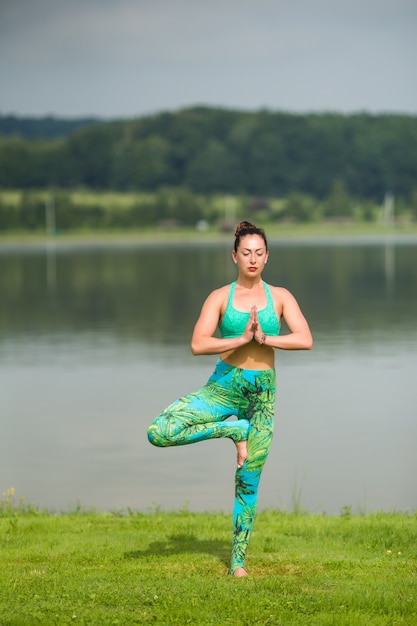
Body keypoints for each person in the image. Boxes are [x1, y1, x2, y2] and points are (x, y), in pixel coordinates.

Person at [147, 221, 313, 577]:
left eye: (258, 252)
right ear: (234, 256)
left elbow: (304, 338)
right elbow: (198, 344)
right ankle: (232, 431)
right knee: (160, 431)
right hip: (223, 387)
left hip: (262, 396)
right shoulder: (220, 297)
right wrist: (240, 340)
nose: (252, 259)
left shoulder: (280, 297)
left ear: (267, 257)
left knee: (248, 479)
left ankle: (238, 562)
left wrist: (265, 338)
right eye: (245, 252)